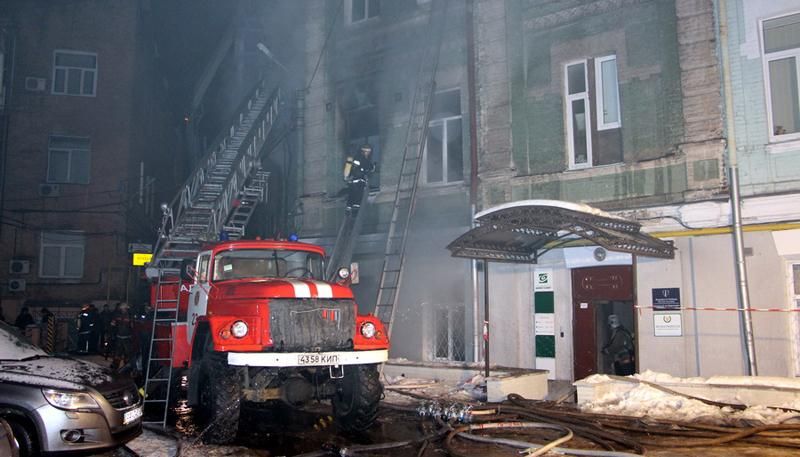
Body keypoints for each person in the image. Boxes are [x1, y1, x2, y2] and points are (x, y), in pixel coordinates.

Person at [343, 143, 376, 213]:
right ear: (363, 152)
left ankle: (349, 208)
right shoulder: (360, 158)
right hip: (358, 180)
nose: (367, 154)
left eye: (368, 152)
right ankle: (354, 208)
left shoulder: (360, 158)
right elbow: (365, 167)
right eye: (366, 152)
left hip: (354, 181)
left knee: (352, 194)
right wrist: (372, 167)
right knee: (358, 194)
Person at [109, 303, 134, 371]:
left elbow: (132, 326)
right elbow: (113, 324)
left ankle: (127, 366)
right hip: (119, 337)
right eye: (122, 309)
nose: (123, 310)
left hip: (127, 337)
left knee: (127, 353)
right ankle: (115, 365)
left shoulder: (130, 316)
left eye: (124, 309)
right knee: (117, 353)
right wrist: (112, 332)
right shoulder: (117, 315)